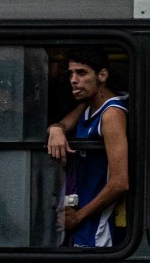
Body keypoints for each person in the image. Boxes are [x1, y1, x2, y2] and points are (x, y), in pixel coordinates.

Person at [45, 48, 129, 247]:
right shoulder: (88, 104)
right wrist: (56, 130)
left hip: (99, 223)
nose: (74, 80)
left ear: (102, 75)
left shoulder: (111, 114)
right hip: (82, 213)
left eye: (81, 73)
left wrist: (78, 217)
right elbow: (64, 125)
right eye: (71, 74)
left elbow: (120, 182)